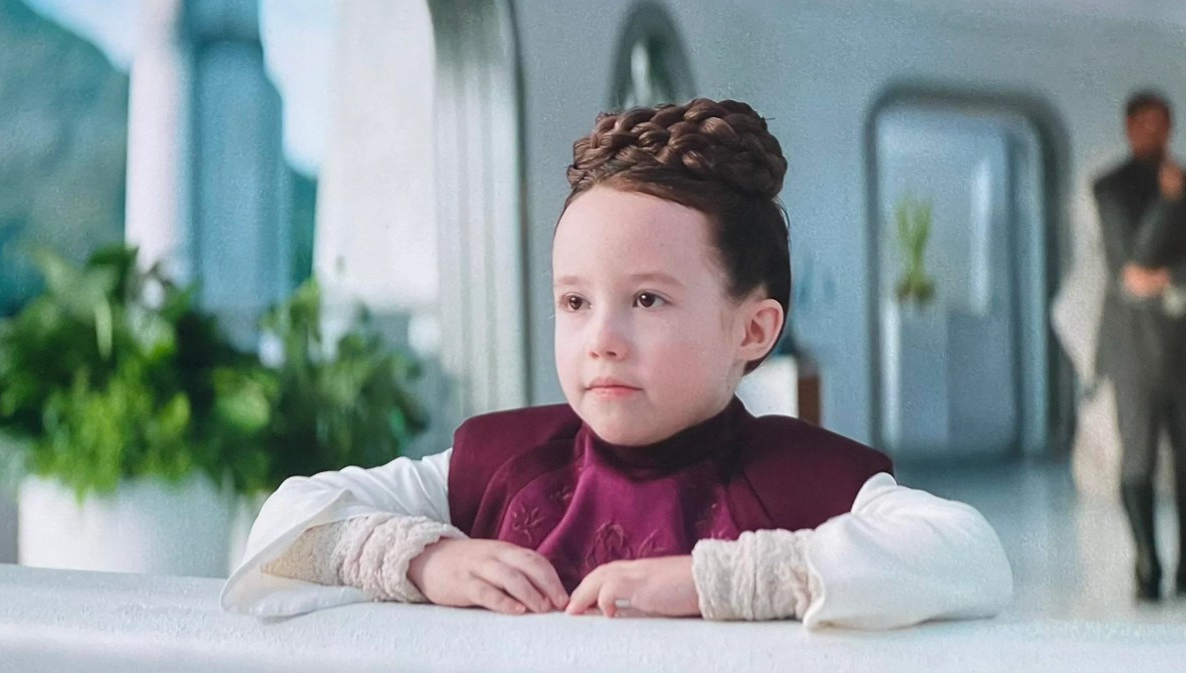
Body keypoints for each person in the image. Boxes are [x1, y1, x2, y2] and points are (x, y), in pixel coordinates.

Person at [221, 98, 1012, 629]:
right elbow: (289, 523)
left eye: (648, 301)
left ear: (755, 328)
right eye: (574, 302)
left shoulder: (804, 479)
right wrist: (428, 556)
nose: (602, 336)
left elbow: (971, 554)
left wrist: (715, 581)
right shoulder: (502, 463)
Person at [1093, 90, 1186, 601]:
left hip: (1181, 345)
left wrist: (1168, 278)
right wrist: (1170, 204)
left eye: (1164, 123)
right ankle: (1146, 561)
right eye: (1147, 124)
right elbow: (1129, 266)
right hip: (1133, 349)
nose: (1157, 134)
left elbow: (1152, 273)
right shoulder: (1110, 188)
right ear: (1130, 127)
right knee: (1140, 459)